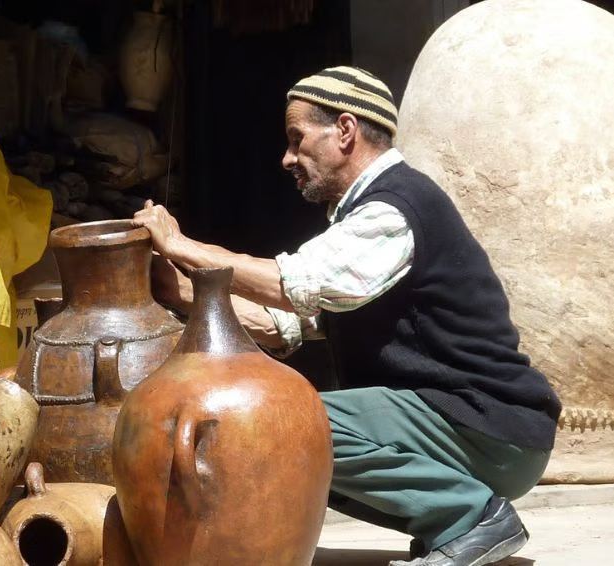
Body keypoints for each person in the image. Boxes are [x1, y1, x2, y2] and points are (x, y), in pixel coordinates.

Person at [131, 66, 562, 566]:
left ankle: (469, 517)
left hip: (491, 428)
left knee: (280, 424)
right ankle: (453, 521)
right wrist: (181, 292)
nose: (287, 158)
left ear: (344, 130)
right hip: (473, 430)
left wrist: (181, 245)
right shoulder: (364, 218)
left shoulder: (394, 210)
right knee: (295, 454)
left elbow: (290, 285)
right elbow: (280, 325)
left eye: (297, 139)